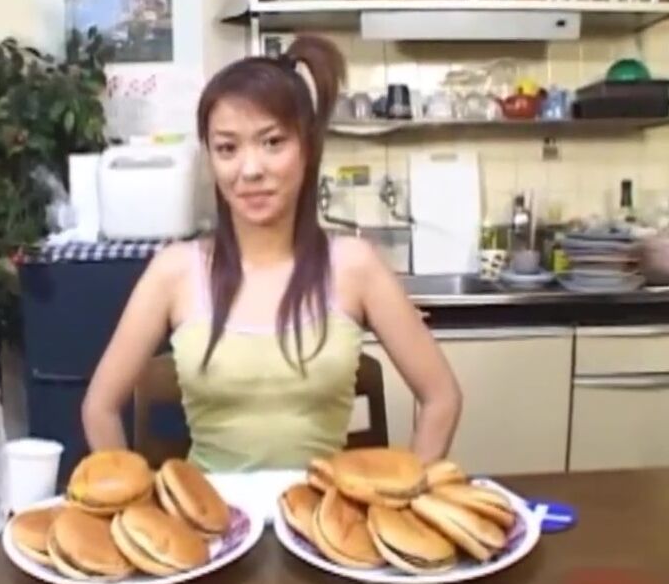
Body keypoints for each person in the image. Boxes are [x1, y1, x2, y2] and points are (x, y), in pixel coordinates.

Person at [82, 35, 461, 472]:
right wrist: (131, 500)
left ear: (307, 148)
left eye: (273, 142)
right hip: (210, 511)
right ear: (210, 158)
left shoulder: (355, 266)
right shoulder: (174, 271)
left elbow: (441, 397)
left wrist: (409, 492)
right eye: (227, 148)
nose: (250, 170)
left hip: (321, 511)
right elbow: (99, 408)